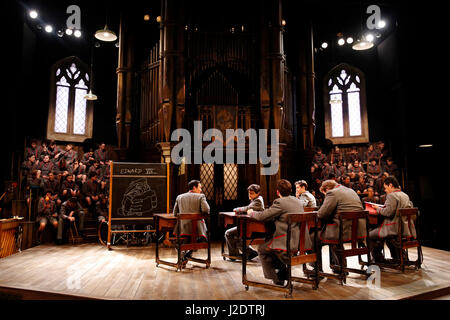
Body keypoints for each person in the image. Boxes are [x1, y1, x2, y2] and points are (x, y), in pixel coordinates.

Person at [247, 179, 311, 286]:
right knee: (271, 246)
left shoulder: (279, 202)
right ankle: (283, 273)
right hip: (300, 242)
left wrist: (251, 213)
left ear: (277, 192)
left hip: (287, 242)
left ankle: (276, 279)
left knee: (262, 249)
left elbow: (262, 216)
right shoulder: (297, 201)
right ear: (290, 190)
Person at [317, 180, 366, 273]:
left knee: (315, 237)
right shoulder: (351, 190)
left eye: (324, 194)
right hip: (359, 231)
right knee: (331, 231)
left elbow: (322, 214)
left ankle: (318, 270)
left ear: (327, 189)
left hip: (343, 231)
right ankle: (338, 265)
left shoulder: (332, 193)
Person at [368, 176, 415, 262]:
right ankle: (399, 257)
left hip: (394, 228)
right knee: (386, 238)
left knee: (370, 235)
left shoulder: (391, 196)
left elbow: (388, 213)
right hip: (405, 228)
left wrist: (377, 208)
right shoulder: (405, 195)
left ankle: (378, 259)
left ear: (390, 185)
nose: (385, 190)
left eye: (385, 188)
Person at [173, 180, 210, 265]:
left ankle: (184, 255)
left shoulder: (179, 197)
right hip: (197, 230)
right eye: (200, 187)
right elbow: (206, 210)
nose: (201, 190)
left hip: (182, 229)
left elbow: (175, 213)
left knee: (185, 239)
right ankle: (187, 254)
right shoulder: (201, 197)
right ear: (194, 187)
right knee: (200, 237)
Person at [224, 184, 263, 261]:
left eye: (252, 193)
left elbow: (248, 208)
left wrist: (237, 209)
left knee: (229, 233)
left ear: (258, 193)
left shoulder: (258, 200)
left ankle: (235, 254)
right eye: (249, 193)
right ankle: (249, 252)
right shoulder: (256, 199)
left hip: (254, 226)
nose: (249, 195)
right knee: (236, 234)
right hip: (251, 224)